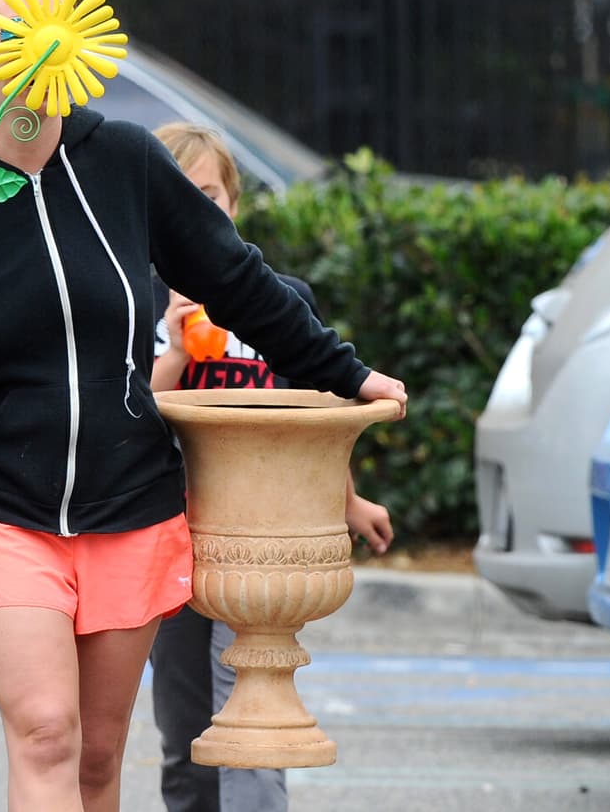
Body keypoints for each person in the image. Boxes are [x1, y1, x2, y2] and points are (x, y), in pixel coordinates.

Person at [0, 0, 408, 812]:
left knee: (100, 756)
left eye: (47, 26)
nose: (34, 48)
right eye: (8, 32)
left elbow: (239, 281)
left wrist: (346, 373)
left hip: (130, 505)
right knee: (46, 732)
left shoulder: (128, 162)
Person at [146, 122, 394, 812]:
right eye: (177, 196)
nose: (195, 212)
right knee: (184, 719)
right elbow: (134, 411)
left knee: (249, 697)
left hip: (261, 535)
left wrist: (347, 500)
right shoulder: (136, 300)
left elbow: (311, 414)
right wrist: (173, 339)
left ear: (233, 204)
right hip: (169, 531)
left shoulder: (277, 300)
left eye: (209, 195)